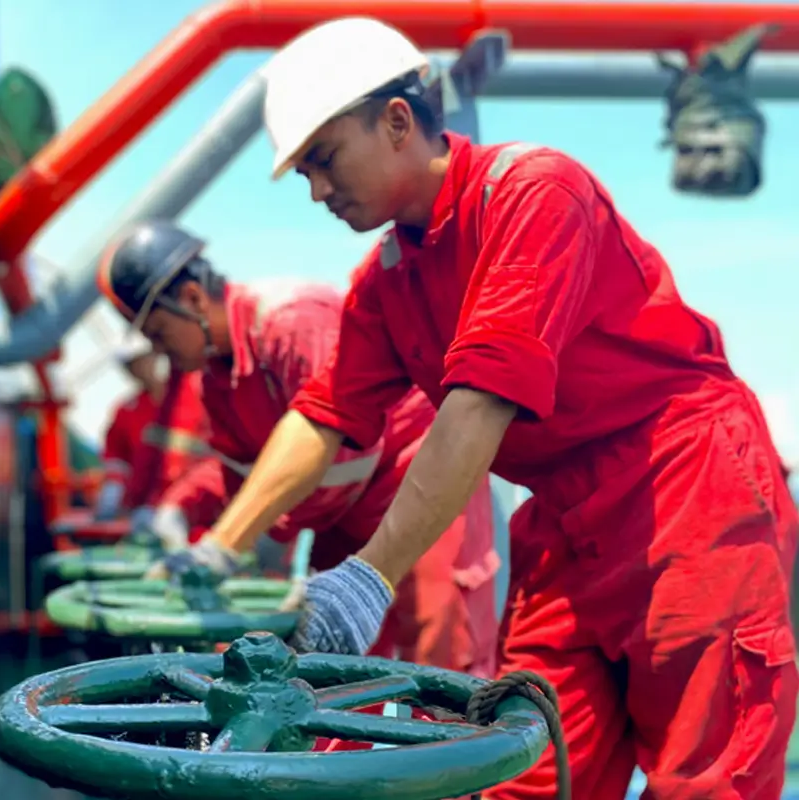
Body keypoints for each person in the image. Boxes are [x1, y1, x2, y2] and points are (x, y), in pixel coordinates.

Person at [159, 16, 796, 799]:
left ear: (397, 121)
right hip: (565, 519)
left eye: (325, 158)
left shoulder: (533, 192)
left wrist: (368, 578)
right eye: (306, 175)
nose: (319, 190)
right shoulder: (387, 279)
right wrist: (220, 548)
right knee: (526, 767)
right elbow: (324, 415)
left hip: (685, 491)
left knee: (707, 777)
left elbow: (480, 403)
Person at [96, 220, 499, 680]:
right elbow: (239, 475)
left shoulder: (293, 320)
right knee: (332, 667)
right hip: (342, 521)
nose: (160, 351)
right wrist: (181, 510)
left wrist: (235, 544)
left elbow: (341, 455)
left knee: (439, 652)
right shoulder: (217, 380)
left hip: (419, 489)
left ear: (191, 299)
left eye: (160, 334)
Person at [94, 330, 209, 526]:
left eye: (141, 361)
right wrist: (114, 489)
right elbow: (117, 459)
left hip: (198, 501)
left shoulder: (198, 393)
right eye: (130, 365)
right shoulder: (127, 412)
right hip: (148, 506)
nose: (138, 370)